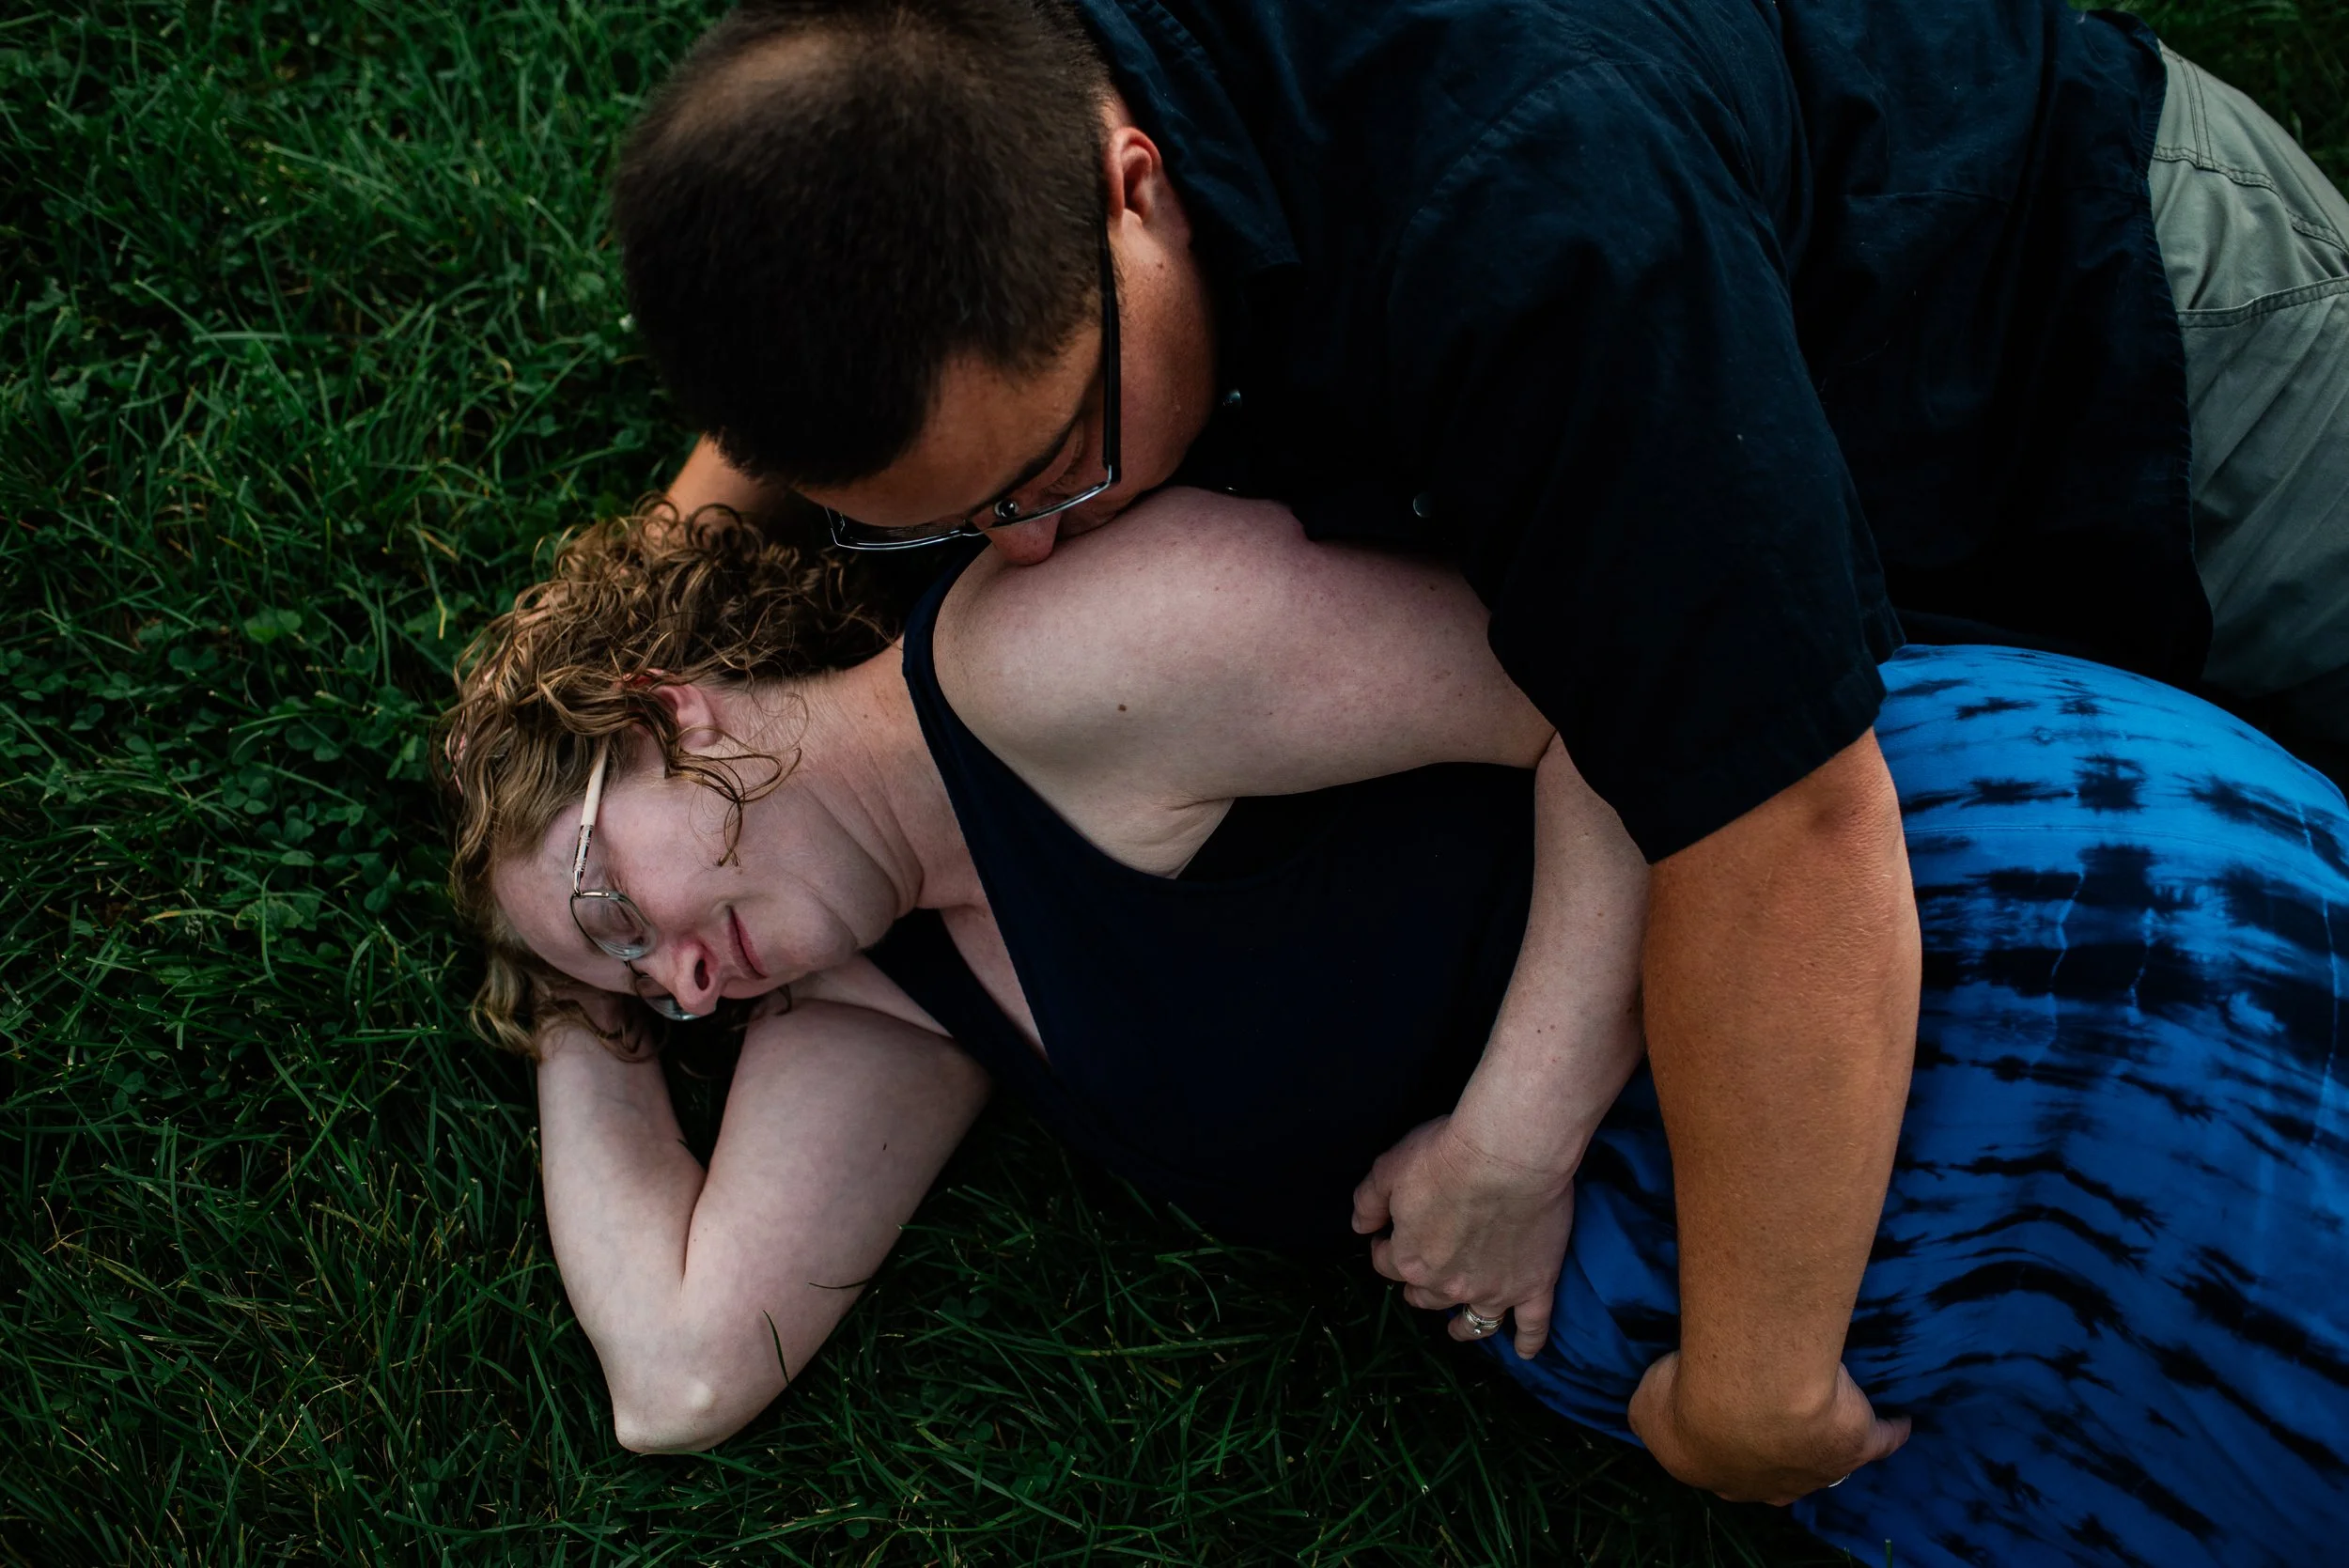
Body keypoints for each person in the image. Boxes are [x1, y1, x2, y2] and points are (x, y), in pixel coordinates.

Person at [607, 0, 2349, 1497]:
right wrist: (649, 570)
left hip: (2135, 353)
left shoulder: (1531, 237)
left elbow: (1790, 817)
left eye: (1048, 471)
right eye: (947, 520)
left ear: (1132, 192)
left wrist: (1755, 1387)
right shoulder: (962, 90)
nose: (1030, 548)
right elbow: (828, 223)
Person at [443, 495, 2349, 1566]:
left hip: (1946, 972)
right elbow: (676, 1373)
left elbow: (1631, 663)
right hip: (1867, 1326)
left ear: (674, 707)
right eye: (645, 995)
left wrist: (1516, 1138)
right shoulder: (879, 996)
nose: (685, 983)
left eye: (628, 908)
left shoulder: (1058, 665)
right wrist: (571, 1014)